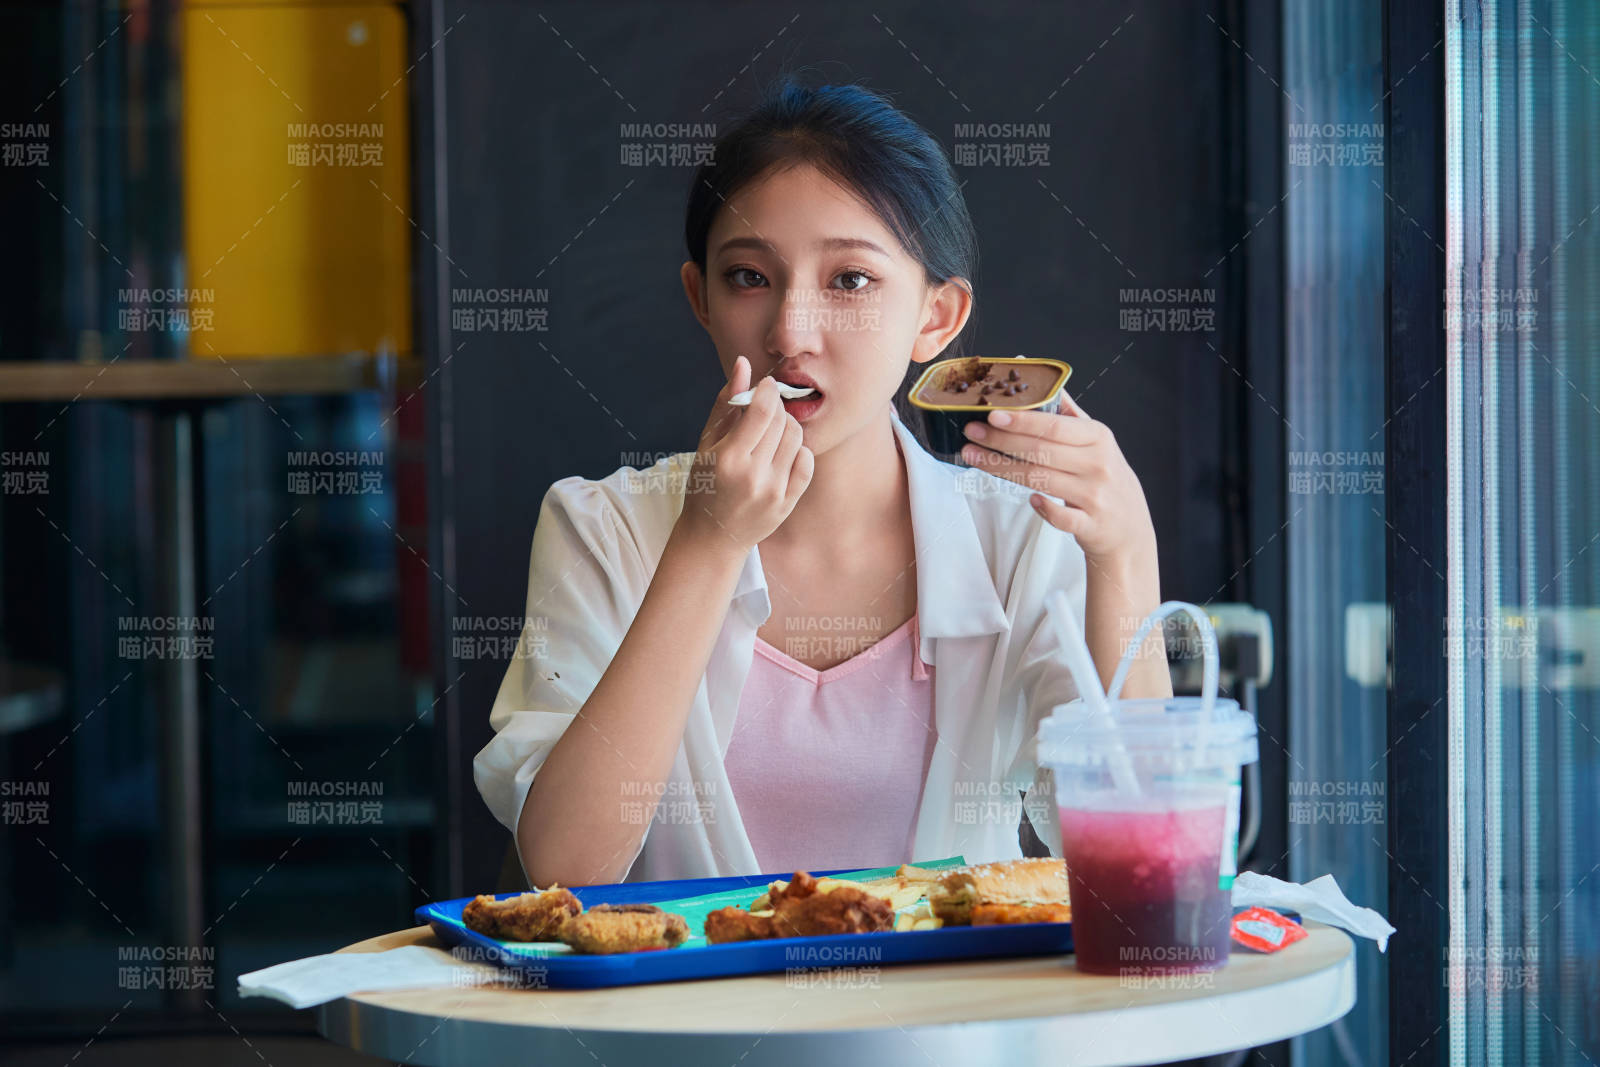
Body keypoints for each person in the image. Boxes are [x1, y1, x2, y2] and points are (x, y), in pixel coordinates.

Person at [474, 77, 1170, 889]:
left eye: (850, 280)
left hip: (955, 1017)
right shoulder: (601, 528)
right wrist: (708, 540)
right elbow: (563, 865)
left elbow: (1146, 856)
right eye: (748, 277)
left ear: (936, 319)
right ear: (700, 298)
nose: (789, 333)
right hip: (687, 1019)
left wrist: (1127, 555)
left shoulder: (1019, 539)